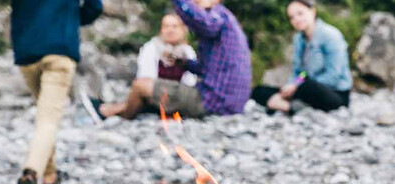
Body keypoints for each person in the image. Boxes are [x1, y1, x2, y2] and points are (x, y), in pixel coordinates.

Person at [0, 0, 103, 184]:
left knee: (45, 116)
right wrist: (71, 19)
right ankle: (31, 173)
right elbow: (95, 7)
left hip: (27, 51)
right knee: (49, 120)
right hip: (60, 49)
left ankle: (49, 180)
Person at [95, 0, 251, 120]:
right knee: (153, 93)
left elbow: (205, 22)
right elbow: (206, 70)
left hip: (214, 102)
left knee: (141, 87)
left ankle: (119, 118)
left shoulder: (218, 16)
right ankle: (110, 109)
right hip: (229, 102)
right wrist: (184, 64)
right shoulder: (227, 24)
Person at [252, 0, 352, 115]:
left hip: (334, 93)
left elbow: (333, 76)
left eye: (300, 13)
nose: (296, 19)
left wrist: (298, 87)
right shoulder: (299, 40)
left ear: (312, 11)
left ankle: (285, 105)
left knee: (309, 86)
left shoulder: (331, 36)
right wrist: (292, 85)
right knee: (259, 90)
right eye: (292, 17)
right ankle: (293, 106)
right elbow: (301, 73)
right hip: (304, 89)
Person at [136, 12, 198, 86]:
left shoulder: (188, 51)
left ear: (182, 30)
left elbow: (191, 81)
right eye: (166, 26)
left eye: (174, 26)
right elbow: (146, 78)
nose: (170, 30)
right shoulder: (151, 48)